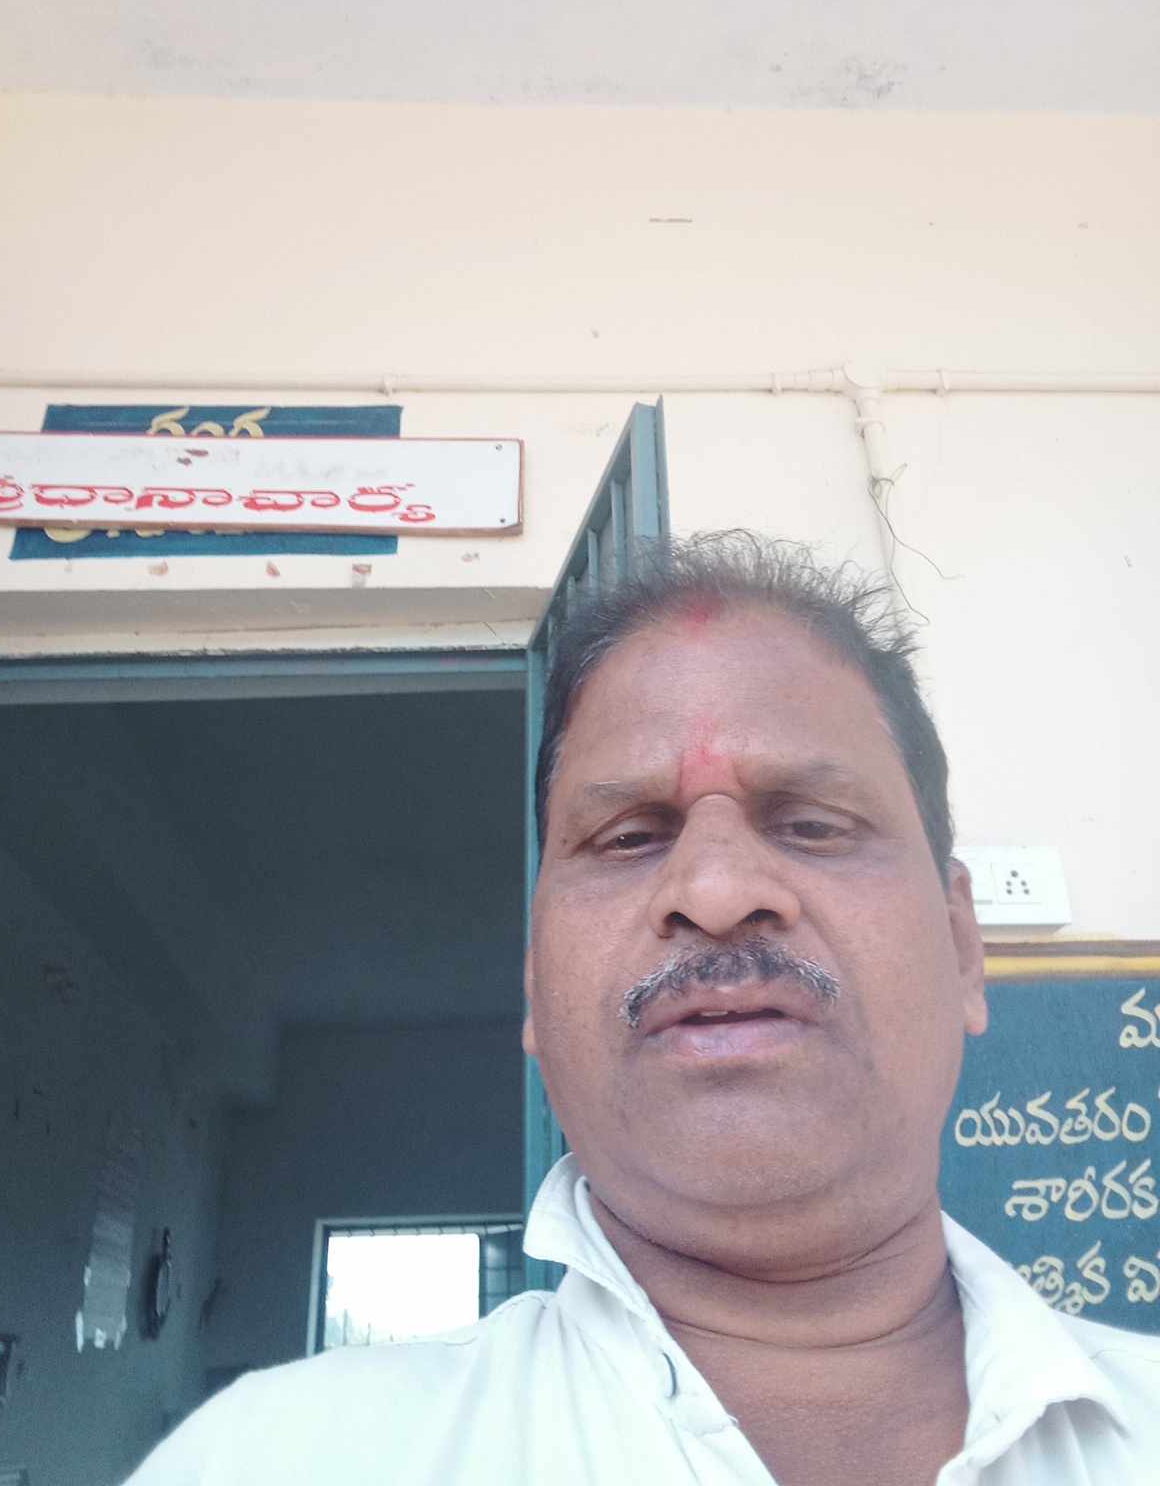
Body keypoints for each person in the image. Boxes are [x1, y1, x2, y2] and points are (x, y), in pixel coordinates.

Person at [126, 533, 1159, 1485]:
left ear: (964, 947)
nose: (715, 890)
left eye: (811, 822)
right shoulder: (274, 1459)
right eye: (627, 836)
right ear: (535, 985)